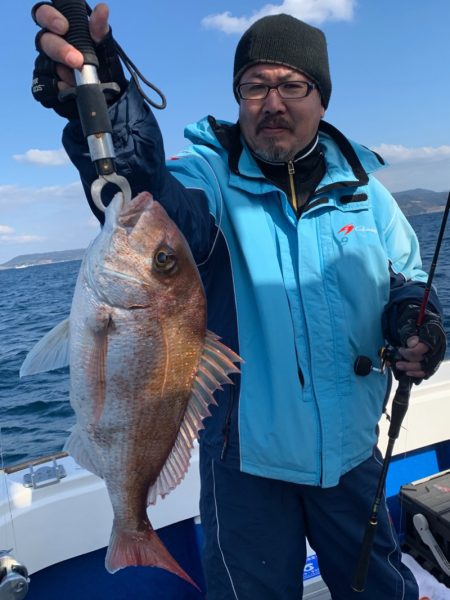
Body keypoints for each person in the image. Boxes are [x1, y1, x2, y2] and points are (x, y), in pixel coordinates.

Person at [31, 5, 447, 599]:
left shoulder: (368, 194)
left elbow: (406, 277)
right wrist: (107, 102)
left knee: (379, 588)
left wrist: (418, 322)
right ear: (238, 97)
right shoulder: (211, 179)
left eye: (292, 85)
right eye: (255, 85)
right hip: (244, 465)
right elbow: (151, 194)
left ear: (321, 98)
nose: (272, 101)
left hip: (354, 452)